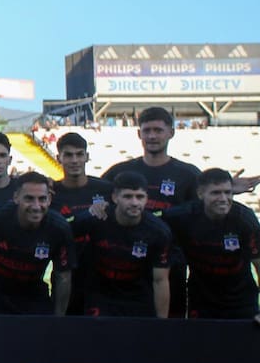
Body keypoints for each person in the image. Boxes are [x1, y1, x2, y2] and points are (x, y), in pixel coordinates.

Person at [102, 106, 258, 317]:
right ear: (139, 134)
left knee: (169, 332)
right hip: (128, 264)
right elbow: (94, 196)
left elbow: (206, 202)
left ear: (171, 133)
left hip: (172, 265)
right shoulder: (119, 172)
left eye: (158, 130)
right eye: (147, 130)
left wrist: (229, 188)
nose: (152, 136)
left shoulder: (188, 174)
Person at [0, 171, 75, 315]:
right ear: (16, 197)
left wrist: (57, 319)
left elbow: (63, 276)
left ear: (49, 199)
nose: (36, 206)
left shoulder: (59, 228)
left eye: (42, 199)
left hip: (32, 292)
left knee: (39, 335)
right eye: (29, 199)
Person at [161, 168, 260, 319]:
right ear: (200, 194)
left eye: (228, 192)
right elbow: (147, 222)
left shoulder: (245, 220)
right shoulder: (181, 217)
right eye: (216, 193)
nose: (223, 198)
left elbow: (259, 265)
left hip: (242, 301)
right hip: (202, 302)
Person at [73, 171, 171, 318]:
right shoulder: (96, 218)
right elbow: (64, 233)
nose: (134, 202)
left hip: (138, 297)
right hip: (101, 295)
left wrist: (162, 323)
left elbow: (160, 280)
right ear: (114, 198)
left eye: (140, 197)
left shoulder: (158, 232)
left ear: (147, 199)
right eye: (127, 196)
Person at [50, 132, 113, 315]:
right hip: (65, 275)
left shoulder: (106, 189)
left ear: (87, 157)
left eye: (79, 154)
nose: (74, 160)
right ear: (59, 158)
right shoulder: (51, 193)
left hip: (103, 279)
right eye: (68, 155)